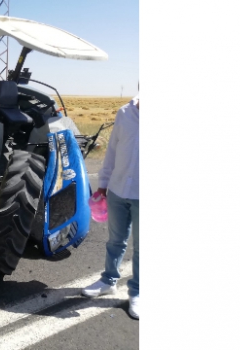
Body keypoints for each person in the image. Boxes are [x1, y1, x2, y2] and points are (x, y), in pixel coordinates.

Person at [81, 93, 139, 320]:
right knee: (115, 241)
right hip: (117, 190)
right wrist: (103, 184)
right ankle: (108, 280)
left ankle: (138, 292)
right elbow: (112, 152)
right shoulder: (125, 113)